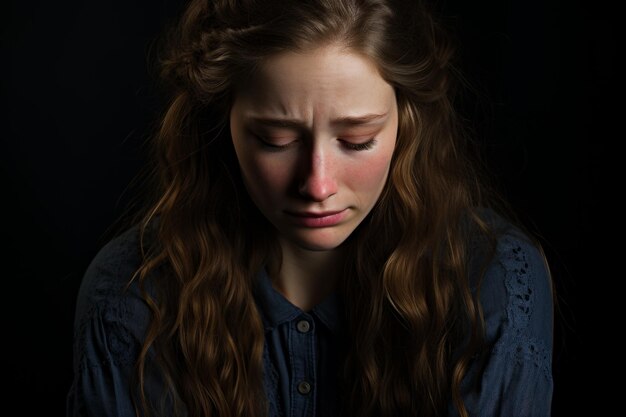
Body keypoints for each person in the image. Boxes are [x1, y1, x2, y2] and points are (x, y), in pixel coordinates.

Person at [66, 0, 554, 416]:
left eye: (357, 140)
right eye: (275, 140)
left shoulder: (493, 283)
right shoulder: (132, 295)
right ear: (222, 123)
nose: (317, 184)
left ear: (407, 124)